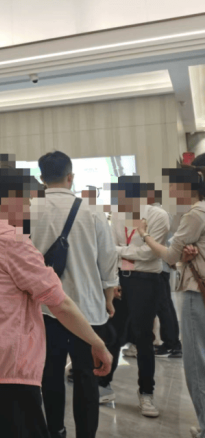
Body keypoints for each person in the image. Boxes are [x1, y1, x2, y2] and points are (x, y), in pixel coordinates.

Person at [0, 161, 112, 438]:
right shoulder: (11, 242)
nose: (28, 205)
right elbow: (60, 303)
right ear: (11, 198)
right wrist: (97, 342)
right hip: (8, 374)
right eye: (25, 198)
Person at [30, 151, 118, 438]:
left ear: (42, 178)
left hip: (45, 310)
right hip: (87, 311)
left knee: (50, 375)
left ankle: (56, 430)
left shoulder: (29, 210)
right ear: (71, 177)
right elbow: (108, 260)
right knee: (87, 377)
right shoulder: (92, 211)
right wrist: (108, 298)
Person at [136, 156, 205, 438]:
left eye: (174, 186)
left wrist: (144, 235)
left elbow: (169, 255)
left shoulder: (194, 215)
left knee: (196, 363)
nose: (171, 192)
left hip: (196, 292)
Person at [97, 176, 169, 417]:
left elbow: (150, 253)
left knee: (143, 338)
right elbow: (111, 250)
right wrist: (114, 281)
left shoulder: (158, 216)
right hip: (121, 280)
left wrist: (120, 251)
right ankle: (103, 385)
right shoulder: (118, 214)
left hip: (146, 280)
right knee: (112, 334)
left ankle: (146, 393)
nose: (120, 203)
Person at [150, 190, 183, 358]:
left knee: (164, 307)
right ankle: (170, 342)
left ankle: (173, 344)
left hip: (159, 266)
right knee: (164, 306)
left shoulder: (159, 214)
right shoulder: (162, 213)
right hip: (161, 266)